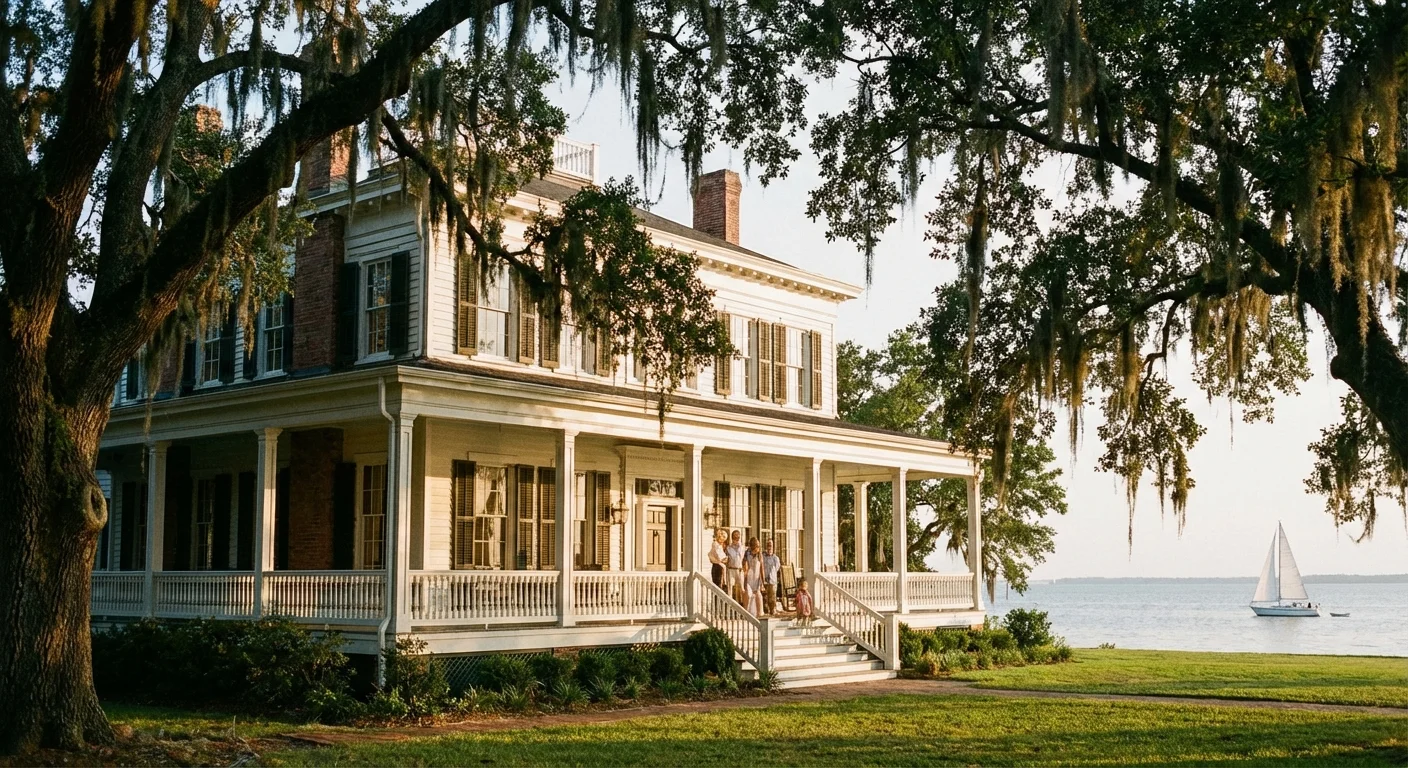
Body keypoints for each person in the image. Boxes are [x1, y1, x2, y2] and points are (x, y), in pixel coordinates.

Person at [760, 539, 782, 616]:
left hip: (772, 579)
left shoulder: (775, 558)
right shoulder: (763, 556)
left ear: (773, 547)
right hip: (764, 579)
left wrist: (772, 574)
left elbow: (777, 568)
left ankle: (772, 610)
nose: (769, 547)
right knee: (764, 597)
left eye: (771, 545)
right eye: (768, 545)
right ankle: (765, 611)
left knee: (772, 597)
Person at [743, 537, 763, 616]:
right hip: (748, 575)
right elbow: (744, 564)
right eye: (756, 547)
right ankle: (745, 611)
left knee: (758, 594)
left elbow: (761, 568)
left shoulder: (759, 554)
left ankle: (759, 613)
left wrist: (763, 580)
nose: (757, 549)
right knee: (747, 593)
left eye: (758, 547)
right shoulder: (747, 553)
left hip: (756, 576)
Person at [725, 529, 746, 603]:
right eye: (734, 537)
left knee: (741, 588)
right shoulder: (728, 548)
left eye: (738, 537)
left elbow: (744, 559)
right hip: (731, 569)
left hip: (739, 569)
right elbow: (726, 559)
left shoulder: (742, 547)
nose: (736, 539)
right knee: (730, 587)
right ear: (732, 538)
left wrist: (744, 569)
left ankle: (741, 605)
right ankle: (730, 604)